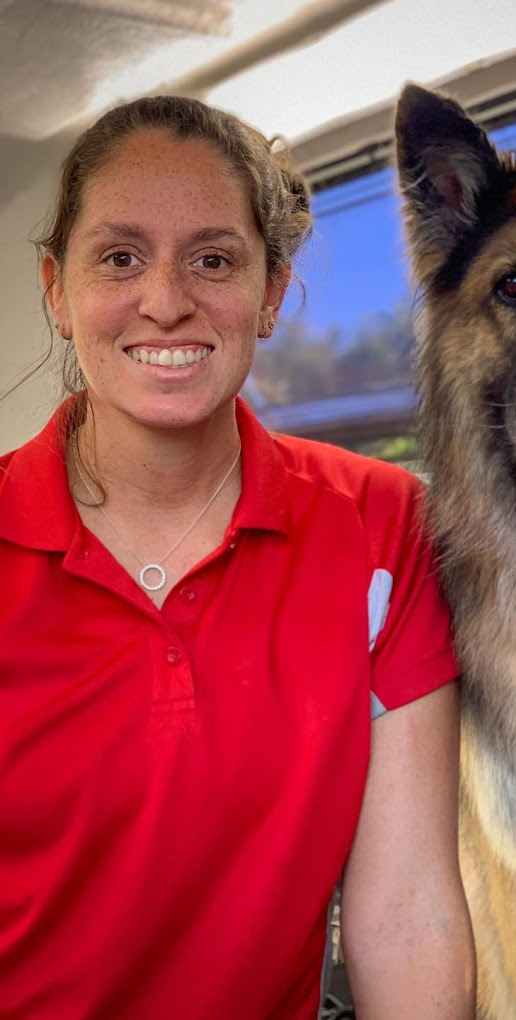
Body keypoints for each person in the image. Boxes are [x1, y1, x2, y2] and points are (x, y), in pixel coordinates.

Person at [0, 95, 475, 1019]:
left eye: (212, 259)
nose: (167, 300)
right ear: (59, 292)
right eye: (120, 257)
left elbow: (406, 915)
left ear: (269, 295)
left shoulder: (385, 528)